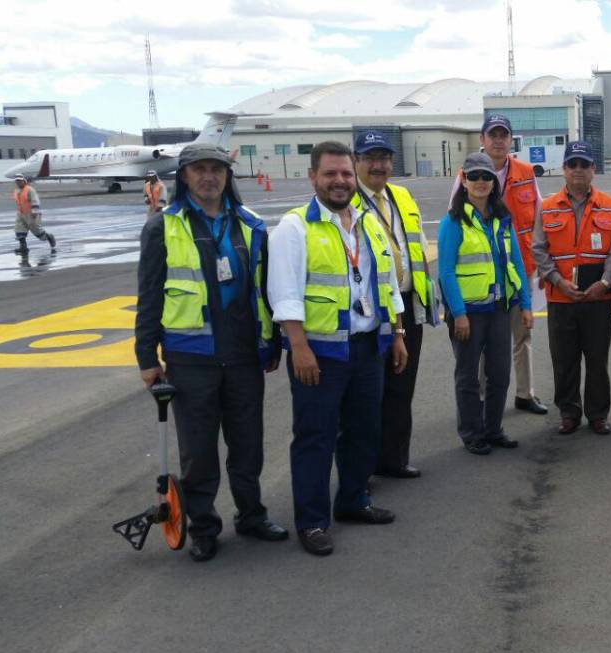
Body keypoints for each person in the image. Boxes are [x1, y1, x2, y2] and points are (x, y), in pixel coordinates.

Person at [134, 143, 287, 562]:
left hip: (243, 355)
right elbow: (149, 296)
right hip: (191, 358)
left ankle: (252, 515)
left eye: (216, 169)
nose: (208, 177)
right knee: (198, 451)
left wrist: (273, 341)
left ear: (227, 176)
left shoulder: (251, 225)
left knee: (248, 445)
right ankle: (203, 527)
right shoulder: (162, 227)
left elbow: (265, 290)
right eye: (199, 169)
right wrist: (146, 357)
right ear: (184, 176)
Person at [267, 141, 408, 556]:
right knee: (315, 437)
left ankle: (353, 500)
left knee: (364, 430)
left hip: (367, 347)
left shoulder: (367, 223)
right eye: (330, 174)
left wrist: (397, 334)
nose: (340, 181)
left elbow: (387, 284)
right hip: (320, 353)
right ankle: (312, 521)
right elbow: (284, 293)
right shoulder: (295, 227)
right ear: (313, 177)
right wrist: (299, 347)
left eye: (346, 173)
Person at [451, 113, 548, 415]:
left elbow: (540, 215)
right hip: (485, 274)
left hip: (519, 268)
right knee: (483, 339)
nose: (497, 140)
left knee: (523, 334)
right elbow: (455, 216)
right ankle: (480, 396)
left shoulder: (526, 172)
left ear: (510, 140)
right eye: (492, 134)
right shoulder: (466, 174)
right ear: (482, 139)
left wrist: (538, 259)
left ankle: (525, 394)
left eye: (503, 134)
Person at [349, 130, 433, 480]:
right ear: (356, 162)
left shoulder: (401, 195)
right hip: (371, 310)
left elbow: (417, 245)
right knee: (367, 395)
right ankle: (362, 471)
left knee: (401, 387)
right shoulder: (348, 201)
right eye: (369, 158)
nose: (377, 165)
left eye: (383, 158)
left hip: (407, 305)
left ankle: (394, 459)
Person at [438, 152, 532, 455]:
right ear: (464, 181)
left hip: (500, 309)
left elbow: (516, 263)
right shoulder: (453, 222)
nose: (480, 182)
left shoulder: (502, 220)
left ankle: (493, 429)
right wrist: (459, 314)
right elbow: (446, 272)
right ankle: (472, 433)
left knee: (500, 374)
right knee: (467, 376)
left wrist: (526, 304)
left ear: (494, 183)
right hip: (469, 313)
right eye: (474, 176)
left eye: (486, 176)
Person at [531, 141, 611, 435]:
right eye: (573, 164)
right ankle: (569, 412)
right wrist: (558, 281)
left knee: (597, 360)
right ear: (564, 169)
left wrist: (605, 282)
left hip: (598, 297)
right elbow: (538, 249)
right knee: (564, 361)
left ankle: (598, 414)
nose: (578, 170)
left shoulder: (610, 205)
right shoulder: (547, 207)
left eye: (584, 165)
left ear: (593, 169)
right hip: (561, 298)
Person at [11, 174, 56, 255]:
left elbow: (35, 200)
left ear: (24, 181)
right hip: (21, 213)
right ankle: (23, 247)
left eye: (20, 180)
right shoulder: (16, 190)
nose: (18, 182)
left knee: (37, 231)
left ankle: (49, 237)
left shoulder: (30, 190)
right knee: (19, 229)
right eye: (17, 181)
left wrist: (35, 211)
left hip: (31, 213)